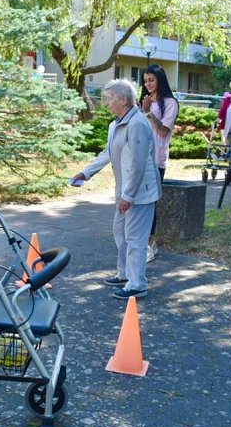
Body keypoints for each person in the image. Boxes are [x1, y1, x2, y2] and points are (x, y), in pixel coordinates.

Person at [70, 79, 161, 300]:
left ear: (122, 99)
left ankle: (137, 283)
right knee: (120, 232)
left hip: (140, 193)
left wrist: (128, 196)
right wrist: (86, 173)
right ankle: (124, 275)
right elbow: (108, 152)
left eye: (110, 98)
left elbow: (139, 164)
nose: (106, 102)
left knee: (135, 238)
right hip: (125, 190)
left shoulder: (137, 123)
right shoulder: (116, 124)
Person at [139, 64, 179, 263]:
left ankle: (149, 244)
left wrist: (148, 113)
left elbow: (163, 131)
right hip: (140, 158)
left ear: (160, 80)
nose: (147, 84)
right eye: (145, 81)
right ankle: (140, 242)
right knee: (138, 202)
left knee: (151, 203)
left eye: (151, 80)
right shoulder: (143, 101)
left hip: (156, 160)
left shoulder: (170, 103)